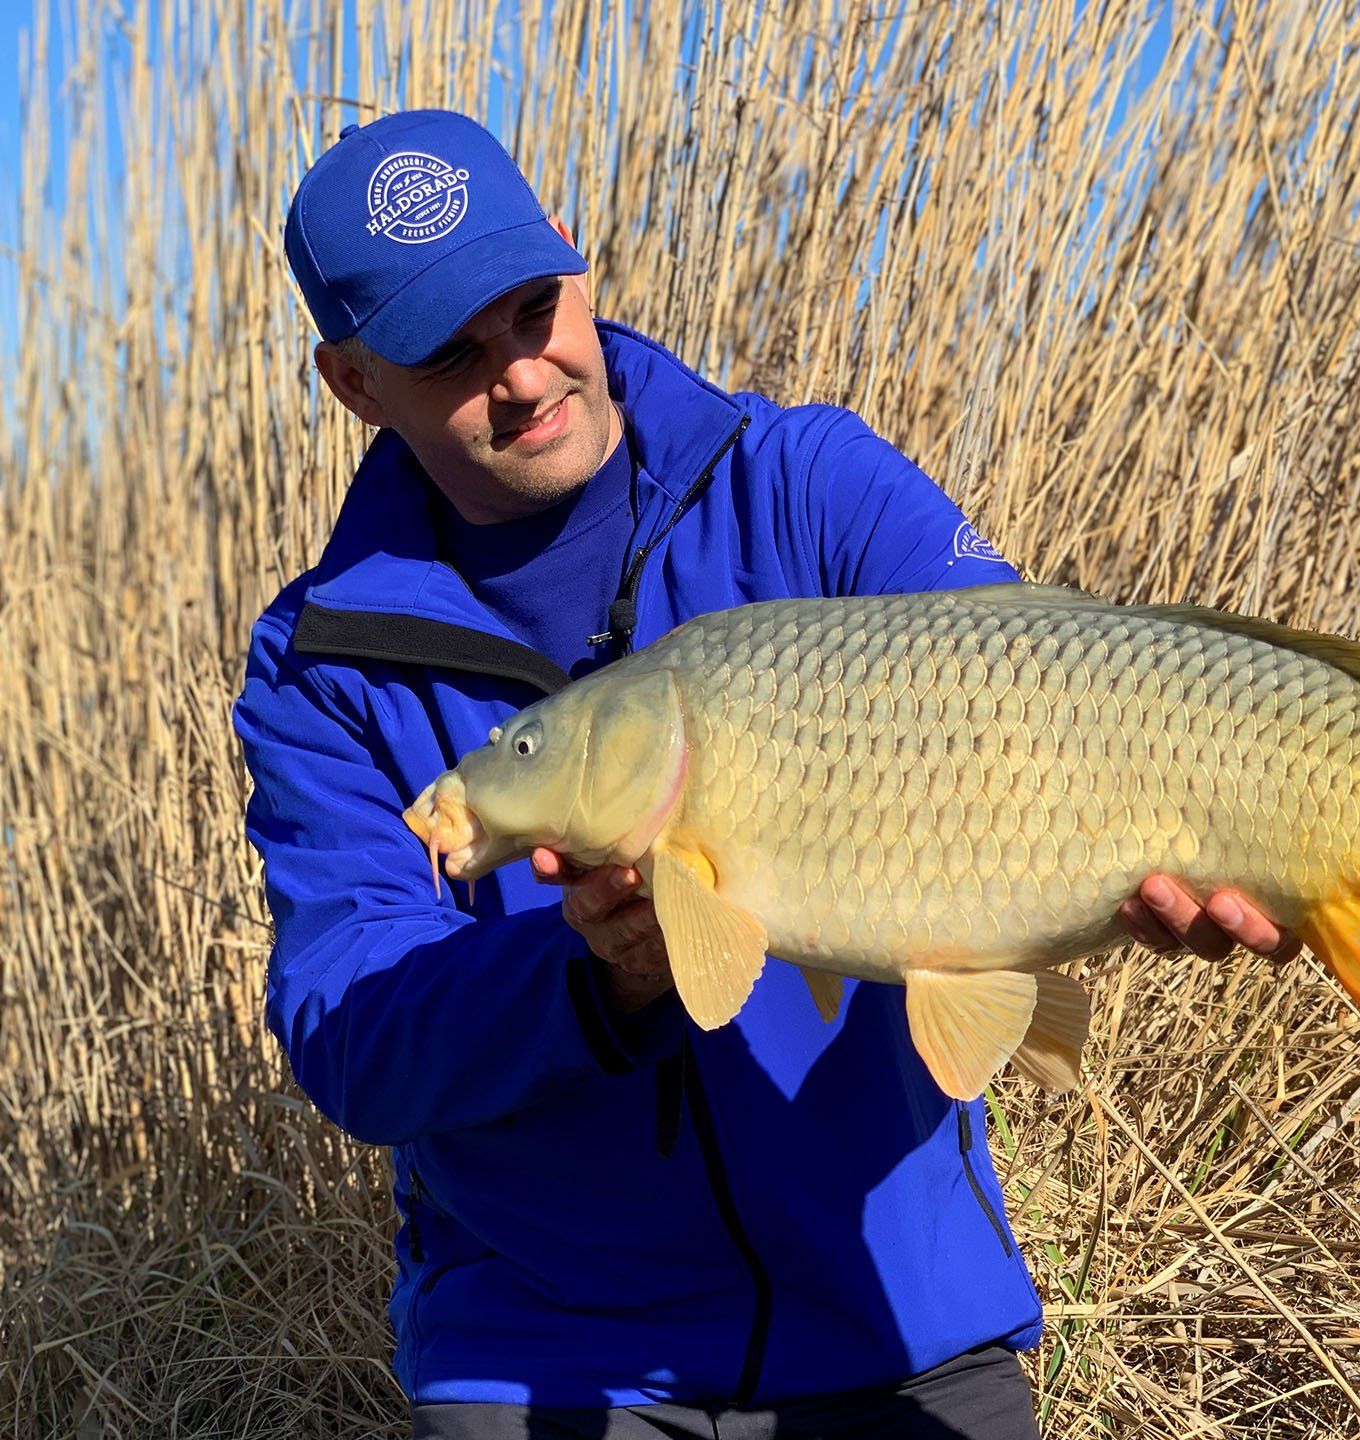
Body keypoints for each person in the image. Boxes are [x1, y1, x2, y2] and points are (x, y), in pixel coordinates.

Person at [233, 108, 1295, 1439]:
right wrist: (590, 976)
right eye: (451, 350)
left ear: (576, 264)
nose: (521, 373)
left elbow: (1038, 683)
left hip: (895, 1319)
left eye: (531, 307)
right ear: (354, 386)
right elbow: (351, 1030)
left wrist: (1150, 850)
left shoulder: (808, 488)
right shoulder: (319, 664)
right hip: (546, 1362)